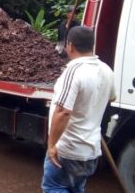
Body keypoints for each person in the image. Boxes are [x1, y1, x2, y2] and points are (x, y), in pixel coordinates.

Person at [42, 26, 116, 192]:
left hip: (69, 150)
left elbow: (63, 112)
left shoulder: (74, 70)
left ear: (70, 45)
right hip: (90, 151)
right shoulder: (107, 70)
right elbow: (111, 97)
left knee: (54, 187)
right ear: (92, 45)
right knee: (76, 188)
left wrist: (52, 145)